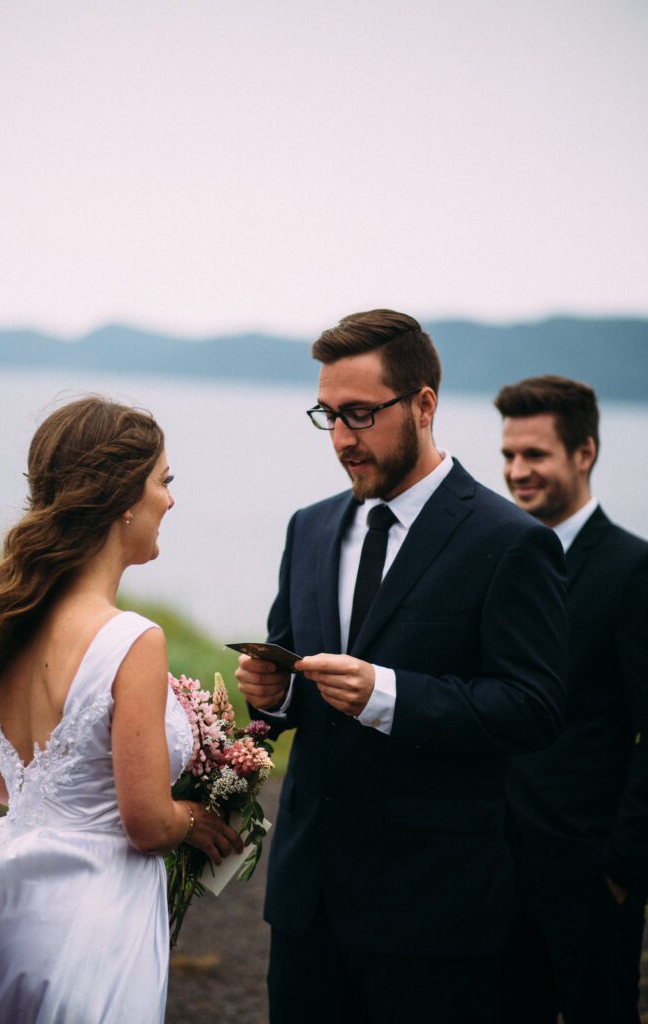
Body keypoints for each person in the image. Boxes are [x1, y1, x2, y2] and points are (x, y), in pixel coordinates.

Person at [235, 310, 568, 1024]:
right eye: (327, 416)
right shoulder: (310, 526)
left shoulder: (510, 542)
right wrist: (273, 698)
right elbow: (288, 670)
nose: (343, 439)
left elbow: (534, 708)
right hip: (307, 902)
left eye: (359, 414)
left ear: (423, 404)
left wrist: (386, 695)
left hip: (433, 914)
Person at [0, 396, 242, 1023]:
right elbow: (146, 823)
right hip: (90, 916)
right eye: (162, 481)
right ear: (123, 497)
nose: (169, 500)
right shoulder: (131, 640)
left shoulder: (1, 619)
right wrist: (196, 818)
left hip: (0, 896)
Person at [494, 375, 648, 1024]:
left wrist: (621, 867)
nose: (516, 472)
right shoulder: (495, 556)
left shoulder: (631, 569)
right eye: (507, 456)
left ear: (583, 453)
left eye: (535, 455)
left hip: (589, 877)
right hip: (494, 870)